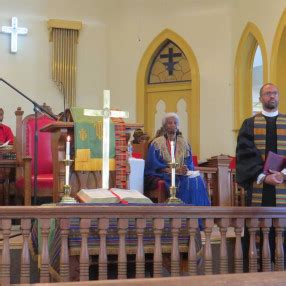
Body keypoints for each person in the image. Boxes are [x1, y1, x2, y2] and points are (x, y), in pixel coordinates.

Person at [236, 82, 286, 269]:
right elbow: (245, 154)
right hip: (259, 186)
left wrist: (282, 174)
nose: (271, 96)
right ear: (260, 98)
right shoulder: (250, 124)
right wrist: (264, 177)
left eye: (274, 93)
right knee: (258, 226)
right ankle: (257, 270)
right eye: (267, 93)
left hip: (284, 186)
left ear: (278, 96)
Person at [144, 112, 210, 206]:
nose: (173, 125)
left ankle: (197, 214)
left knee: (197, 179)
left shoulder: (184, 144)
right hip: (163, 174)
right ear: (165, 126)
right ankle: (181, 211)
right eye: (170, 123)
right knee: (184, 181)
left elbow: (189, 163)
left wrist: (185, 169)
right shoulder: (156, 144)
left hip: (181, 173)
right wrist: (174, 170)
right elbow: (153, 166)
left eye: (175, 123)